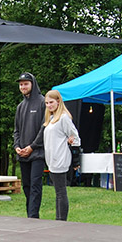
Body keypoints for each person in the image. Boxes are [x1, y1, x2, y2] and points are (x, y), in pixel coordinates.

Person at [42, 90, 81, 221]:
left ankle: (61, 219)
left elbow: (75, 137)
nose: (49, 105)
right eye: (47, 103)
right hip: (51, 159)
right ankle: (59, 218)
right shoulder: (51, 119)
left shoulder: (63, 117)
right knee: (58, 191)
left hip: (60, 158)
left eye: (51, 102)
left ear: (58, 102)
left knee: (60, 191)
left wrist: (76, 159)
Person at [13, 72, 46, 218]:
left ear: (32, 84)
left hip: (38, 153)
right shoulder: (20, 106)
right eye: (21, 84)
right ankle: (30, 216)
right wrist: (16, 147)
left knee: (35, 186)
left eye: (26, 83)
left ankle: (33, 217)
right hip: (22, 154)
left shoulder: (42, 102)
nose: (23, 86)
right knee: (26, 186)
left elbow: (44, 128)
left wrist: (32, 146)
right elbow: (16, 130)